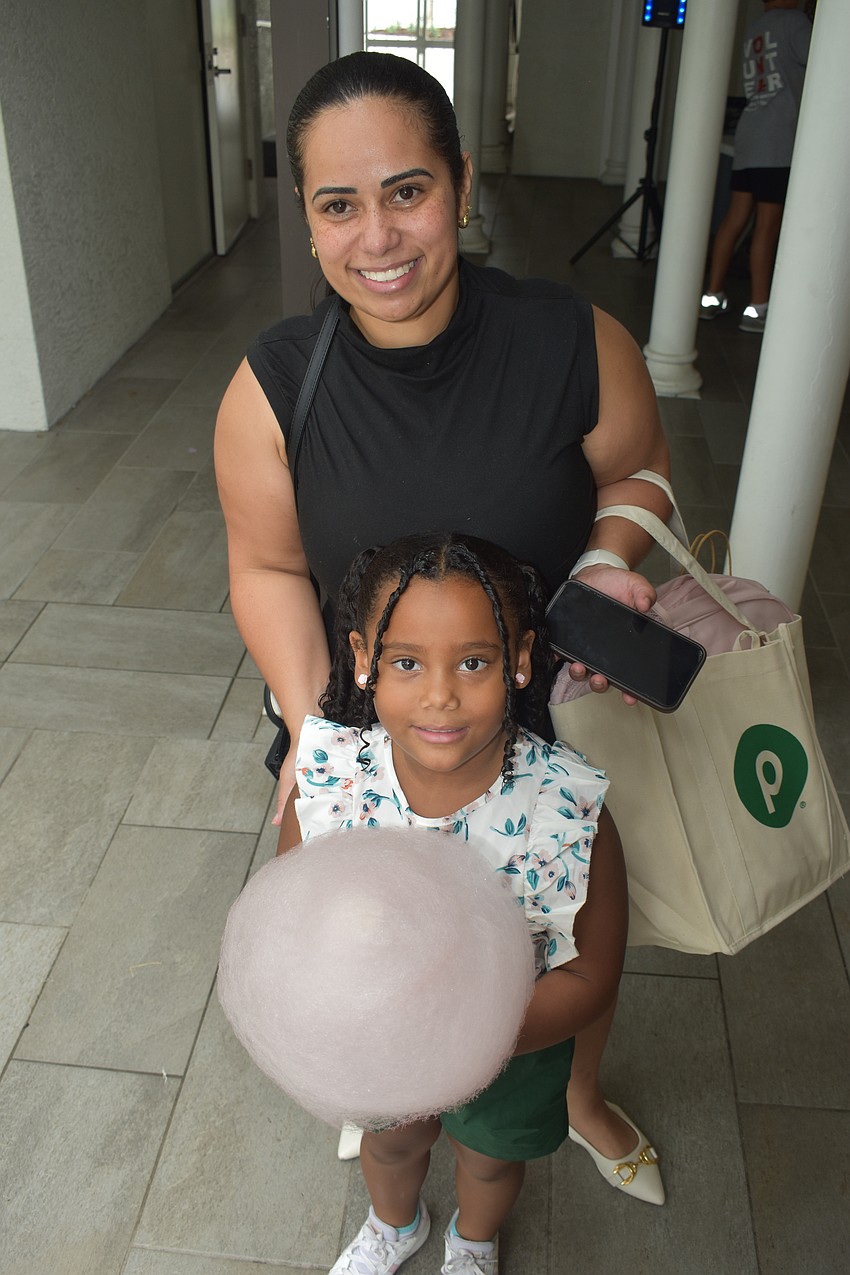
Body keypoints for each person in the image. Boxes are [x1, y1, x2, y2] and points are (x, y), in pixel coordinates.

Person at [215, 50, 670, 1194]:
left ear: (460, 186)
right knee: (382, 938)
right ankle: (392, 1076)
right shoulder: (275, 383)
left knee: (558, 931)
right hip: (375, 722)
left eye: (405, 191)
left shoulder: (571, 341)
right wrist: (317, 723)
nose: (377, 237)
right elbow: (268, 566)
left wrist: (612, 560)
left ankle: (567, 1089)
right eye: (338, 205)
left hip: (546, 717)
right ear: (310, 222)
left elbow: (644, 477)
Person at [276, 532, 659, 1274]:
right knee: (391, 1140)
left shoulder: (567, 810)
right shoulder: (329, 783)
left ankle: (474, 1240)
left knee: (488, 1158)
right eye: (407, 661)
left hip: (513, 1044)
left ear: (520, 659)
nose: (441, 693)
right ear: (362, 658)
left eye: (474, 661)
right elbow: (289, 925)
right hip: (382, 1039)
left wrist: (472, 1034)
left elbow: (593, 976)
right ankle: (395, 1222)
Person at [700, 0, 812, 332]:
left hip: (750, 130)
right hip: (778, 136)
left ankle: (712, 295)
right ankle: (758, 308)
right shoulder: (796, 23)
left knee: (734, 219)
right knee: (767, 225)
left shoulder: (756, 28)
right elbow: (824, 62)